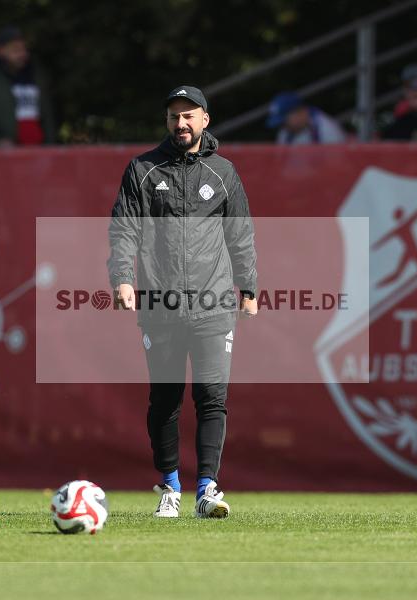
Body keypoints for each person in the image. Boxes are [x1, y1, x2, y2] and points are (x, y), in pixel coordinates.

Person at [107, 85, 258, 519]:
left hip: (213, 305)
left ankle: (208, 489)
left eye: (189, 115)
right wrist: (121, 278)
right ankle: (170, 487)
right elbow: (124, 230)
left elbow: (240, 234)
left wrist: (248, 289)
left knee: (212, 397)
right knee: (166, 400)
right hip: (160, 304)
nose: (181, 123)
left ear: (205, 120)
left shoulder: (224, 173)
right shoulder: (142, 169)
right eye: (174, 115)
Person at [0, 26, 55, 147]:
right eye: (15, 50)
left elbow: (46, 115)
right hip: (4, 153)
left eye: (23, 49)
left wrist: (49, 142)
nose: (22, 54)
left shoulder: (35, 75)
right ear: (1, 51)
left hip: (37, 151)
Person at [266, 91, 347, 144]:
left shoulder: (326, 130)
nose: (283, 126)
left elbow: (337, 166)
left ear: (300, 112)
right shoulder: (285, 132)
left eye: (284, 121)